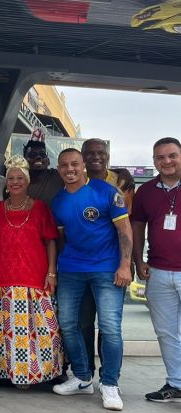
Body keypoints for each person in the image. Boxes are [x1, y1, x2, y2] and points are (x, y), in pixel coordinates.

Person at [51, 148, 133, 411]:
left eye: (74, 164)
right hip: (72, 270)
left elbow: (124, 229)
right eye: (64, 165)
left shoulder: (106, 192)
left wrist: (124, 265)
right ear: (59, 169)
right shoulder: (59, 201)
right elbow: (62, 239)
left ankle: (109, 384)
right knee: (68, 323)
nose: (69, 169)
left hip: (107, 270)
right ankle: (83, 377)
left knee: (109, 327)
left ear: (83, 165)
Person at [0, 155, 63, 388]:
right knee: (2, 329)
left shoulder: (40, 209)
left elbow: (51, 241)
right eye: (11, 178)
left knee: (34, 329)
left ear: (28, 182)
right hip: (2, 276)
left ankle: (28, 374)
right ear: (6, 183)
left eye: (20, 178)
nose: (15, 182)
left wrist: (51, 272)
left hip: (33, 276)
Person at [79, 138, 135, 383]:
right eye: (89, 153)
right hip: (79, 266)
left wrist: (127, 261)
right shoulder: (73, 180)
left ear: (108, 155)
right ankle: (85, 373)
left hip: (111, 264)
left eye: (100, 153)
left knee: (109, 326)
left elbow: (127, 225)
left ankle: (109, 378)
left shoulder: (122, 182)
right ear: (82, 157)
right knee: (82, 322)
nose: (95, 157)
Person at [132, 137, 181, 402]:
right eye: (160, 157)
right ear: (154, 162)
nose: (167, 161)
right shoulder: (147, 191)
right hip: (159, 271)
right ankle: (176, 383)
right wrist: (139, 260)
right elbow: (138, 227)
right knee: (166, 332)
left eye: (172, 155)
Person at [23, 135, 64, 207]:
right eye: (32, 155)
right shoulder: (17, 181)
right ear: (24, 161)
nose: (38, 157)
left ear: (48, 161)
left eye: (42, 154)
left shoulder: (59, 176)